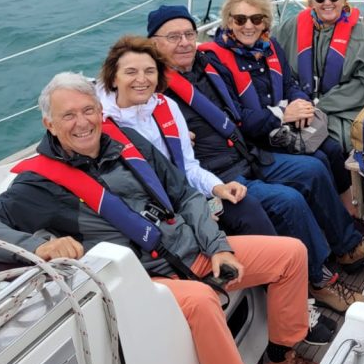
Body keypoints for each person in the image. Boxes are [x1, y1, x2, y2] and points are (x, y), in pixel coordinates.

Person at [0, 73, 317, 364]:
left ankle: (279, 356)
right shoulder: (37, 185)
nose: (82, 123)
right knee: (202, 301)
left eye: (88, 111)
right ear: (49, 124)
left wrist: (218, 246)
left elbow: (186, 196)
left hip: (193, 250)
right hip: (147, 278)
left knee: (290, 254)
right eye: (68, 116)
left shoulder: (128, 144)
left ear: (101, 111)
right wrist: (39, 245)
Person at [147, 4, 364, 313]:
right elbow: (130, 119)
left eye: (188, 33)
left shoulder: (207, 64)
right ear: (153, 44)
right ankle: (320, 281)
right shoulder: (152, 90)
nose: (184, 42)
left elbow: (243, 89)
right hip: (219, 177)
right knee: (288, 201)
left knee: (313, 170)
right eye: (173, 37)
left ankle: (346, 246)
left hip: (248, 155)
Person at [96, 34, 276, 237]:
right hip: (151, 216)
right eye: (130, 72)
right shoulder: (99, 125)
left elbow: (188, 167)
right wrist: (191, 214)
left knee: (246, 207)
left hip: (185, 196)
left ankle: (275, 265)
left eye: (149, 71)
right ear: (113, 78)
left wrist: (218, 187)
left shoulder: (166, 107)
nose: (142, 79)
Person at [200, 0, 356, 217]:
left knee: (332, 149)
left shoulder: (270, 47)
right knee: (318, 161)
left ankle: (347, 211)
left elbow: (290, 84)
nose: (248, 26)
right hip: (257, 140)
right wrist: (283, 115)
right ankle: (334, 226)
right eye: (240, 19)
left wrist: (302, 105)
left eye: (256, 19)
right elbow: (237, 115)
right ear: (229, 22)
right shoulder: (216, 60)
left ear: (265, 22)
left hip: (285, 129)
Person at [274, 0, 364, 148]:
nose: (327, 3)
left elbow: (363, 84)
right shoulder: (292, 27)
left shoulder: (361, 34)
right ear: (311, 1)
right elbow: (266, 45)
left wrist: (317, 108)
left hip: (352, 103)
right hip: (307, 101)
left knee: (333, 141)